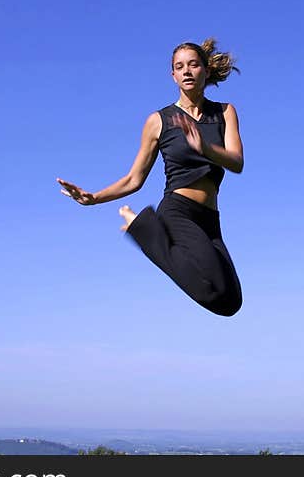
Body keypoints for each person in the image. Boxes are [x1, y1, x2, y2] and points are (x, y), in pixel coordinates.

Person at [57, 38, 244, 316]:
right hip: (178, 211)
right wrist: (94, 198)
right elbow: (135, 178)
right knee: (212, 289)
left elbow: (236, 162)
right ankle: (145, 230)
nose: (187, 71)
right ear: (173, 75)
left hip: (210, 218)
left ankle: (145, 230)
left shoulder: (225, 112)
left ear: (205, 70)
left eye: (193, 65)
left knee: (230, 302)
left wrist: (205, 148)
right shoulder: (159, 121)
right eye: (179, 67)